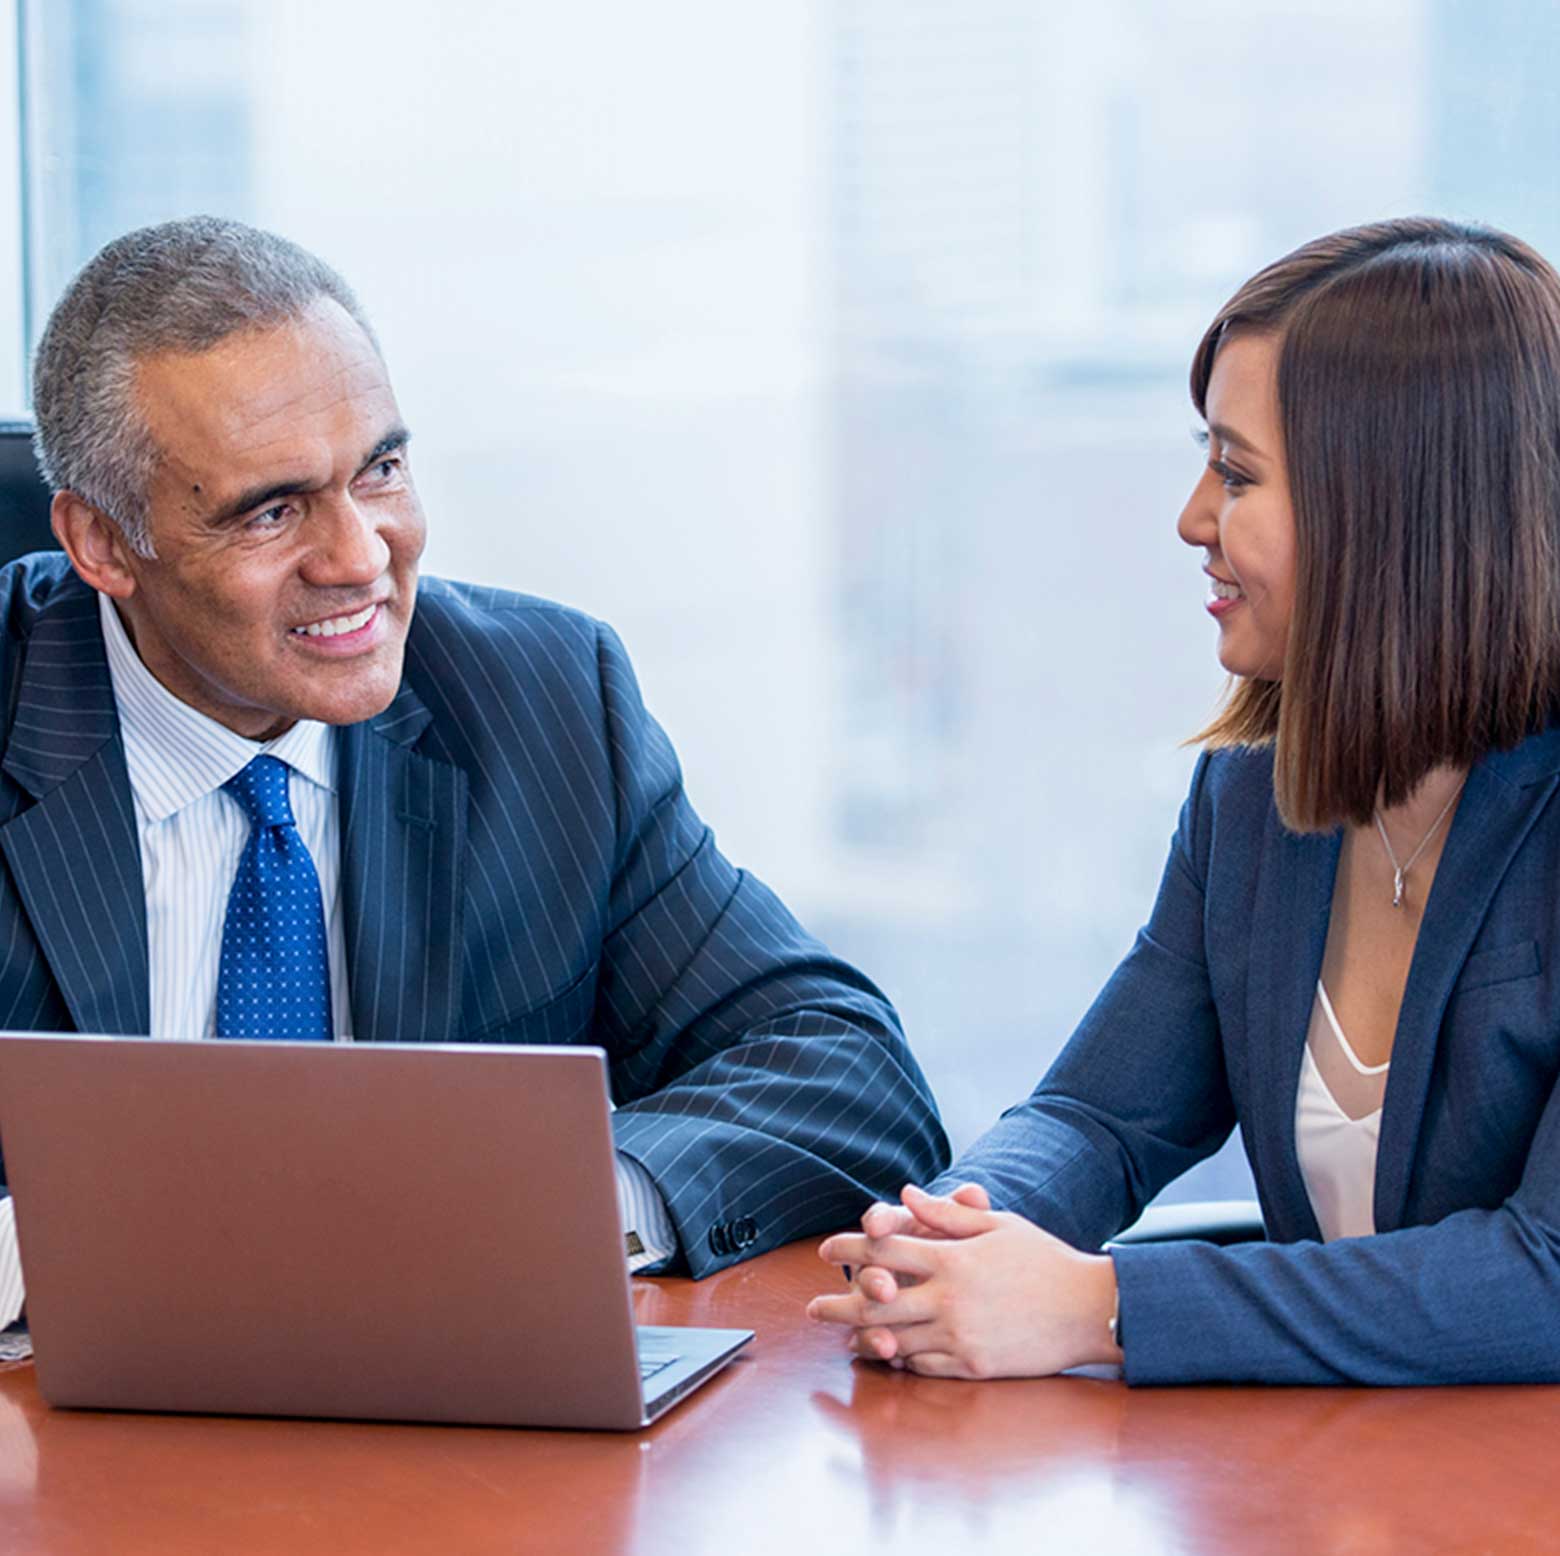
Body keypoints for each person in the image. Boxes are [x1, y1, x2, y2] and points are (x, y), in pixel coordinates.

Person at [0, 215, 948, 1324]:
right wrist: (97, 1250)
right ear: (102, 542)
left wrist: (539, 1208)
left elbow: (846, 1073)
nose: (359, 556)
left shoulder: (543, 700)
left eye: (382, 470)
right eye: (272, 509)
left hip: (457, 1433)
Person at [811, 215, 1560, 1385]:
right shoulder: (1251, 805)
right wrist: (953, 1229)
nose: (1192, 516)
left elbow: (1544, 1274)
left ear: (1395, 507)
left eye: (1239, 472)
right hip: (1336, 1481)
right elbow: (1100, 1117)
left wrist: (1101, 1305)